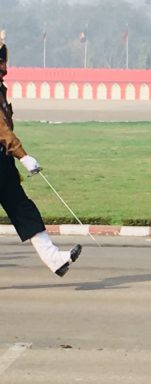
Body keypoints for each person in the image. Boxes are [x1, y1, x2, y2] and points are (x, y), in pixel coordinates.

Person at [0, 40, 81, 276]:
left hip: (3, 163)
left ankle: (54, 258)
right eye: (1, 62)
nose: (5, 68)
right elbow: (2, 129)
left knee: (24, 209)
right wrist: (23, 156)